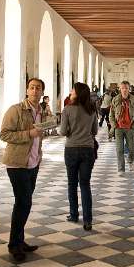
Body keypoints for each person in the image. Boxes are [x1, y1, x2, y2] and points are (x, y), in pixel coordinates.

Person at [0, 78, 49, 262]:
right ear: (27, 90)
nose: (35, 91)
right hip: (17, 163)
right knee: (23, 202)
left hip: (33, 162)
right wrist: (29, 133)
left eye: (38, 88)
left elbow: (39, 136)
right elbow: (4, 134)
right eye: (32, 87)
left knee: (24, 203)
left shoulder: (41, 111)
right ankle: (14, 245)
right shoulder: (15, 109)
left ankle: (20, 240)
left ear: (42, 92)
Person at [58, 82, 98, 231]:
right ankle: (88, 220)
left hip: (71, 149)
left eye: (73, 90)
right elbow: (94, 131)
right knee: (85, 184)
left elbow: (62, 132)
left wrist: (71, 131)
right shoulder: (91, 110)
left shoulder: (67, 109)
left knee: (72, 184)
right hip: (88, 150)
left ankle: (74, 214)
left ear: (78, 93)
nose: (70, 92)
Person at [109, 80, 134, 173]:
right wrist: (114, 125)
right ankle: (121, 169)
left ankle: (130, 161)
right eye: (122, 88)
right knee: (119, 149)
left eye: (126, 88)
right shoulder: (115, 99)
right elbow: (111, 114)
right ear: (120, 89)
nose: (124, 90)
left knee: (131, 147)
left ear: (129, 89)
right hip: (118, 128)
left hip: (130, 128)